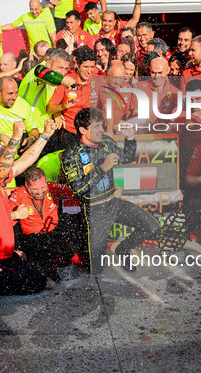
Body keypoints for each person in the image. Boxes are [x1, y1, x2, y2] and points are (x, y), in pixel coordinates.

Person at [0, 119, 57, 295]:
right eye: (5, 156)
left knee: (38, 277)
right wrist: (15, 138)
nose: (11, 160)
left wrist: (46, 135)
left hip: (4, 255)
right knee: (36, 282)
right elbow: (1, 170)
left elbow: (27, 160)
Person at [62, 108, 160, 272]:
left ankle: (122, 249)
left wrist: (129, 138)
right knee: (96, 269)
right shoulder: (71, 154)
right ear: (83, 130)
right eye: (97, 126)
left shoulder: (106, 142)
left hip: (114, 203)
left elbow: (126, 158)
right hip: (94, 211)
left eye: (102, 125)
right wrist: (102, 168)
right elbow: (79, 189)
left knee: (152, 226)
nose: (102, 130)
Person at [8, 167, 75, 279]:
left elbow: (76, 193)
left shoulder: (53, 187)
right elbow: (6, 222)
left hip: (54, 234)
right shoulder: (18, 194)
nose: (40, 192)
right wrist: (14, 249)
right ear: (27, 185)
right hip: (33, 239)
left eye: (43, 187)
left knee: (66, 239)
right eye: (35, 189)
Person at [48, 46, 96, 149]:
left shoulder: (95, 81)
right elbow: (50, 107)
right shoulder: (66, 81)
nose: (89, 71)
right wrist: (62, 108)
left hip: (89, 135)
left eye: (92, 67)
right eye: (86, 67)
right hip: (68, 133)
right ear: (77, 65)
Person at [0, 76, 40, 145]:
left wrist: (32, 138)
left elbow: (33, 129)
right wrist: (1, 136)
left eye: (16, 92)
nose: (14, 97)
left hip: (14, 152)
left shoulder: (24, 106)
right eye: (10, 93)